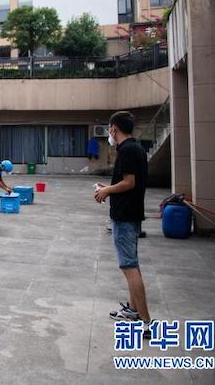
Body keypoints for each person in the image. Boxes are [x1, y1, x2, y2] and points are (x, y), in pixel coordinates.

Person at [94, 111, 152, 334]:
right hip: (131, 213)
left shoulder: (127, 150)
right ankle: (133, 310)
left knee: (129, 266)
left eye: (109, 128)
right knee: (131, 264)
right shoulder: (135, 148)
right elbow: (128, 183)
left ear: (114, 128)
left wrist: (107, 191)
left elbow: (129, 182)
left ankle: (145, 322)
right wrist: (108, 188)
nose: (109, 132)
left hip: (126, 216)